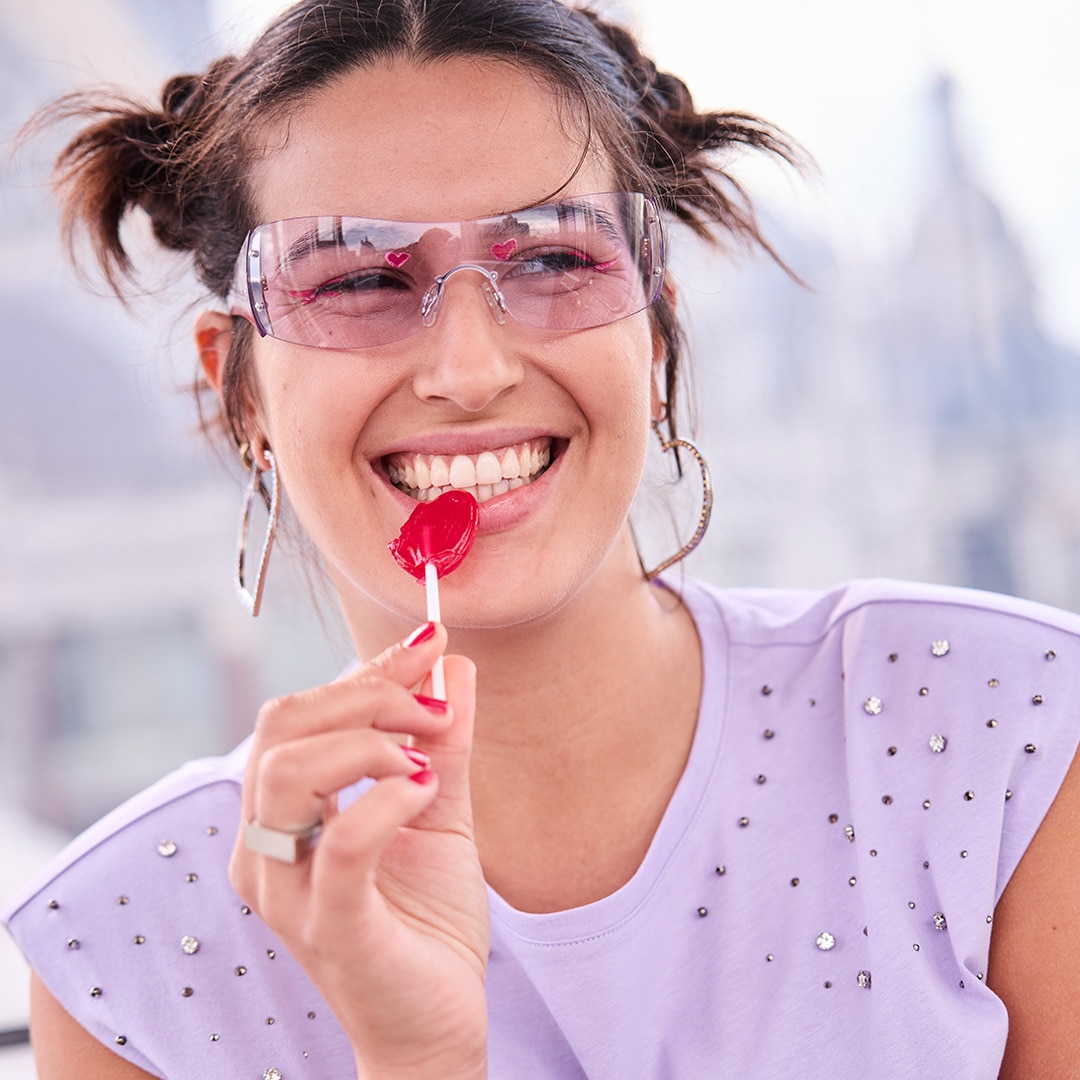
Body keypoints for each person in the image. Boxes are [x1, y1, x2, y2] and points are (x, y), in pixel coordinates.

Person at [5, 1, 1080, 1077]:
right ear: (238, 393)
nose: (469, 372)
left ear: (655, 333)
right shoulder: (129, 947)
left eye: (554, 263)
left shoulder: (1010, 733)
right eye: (359, 280)